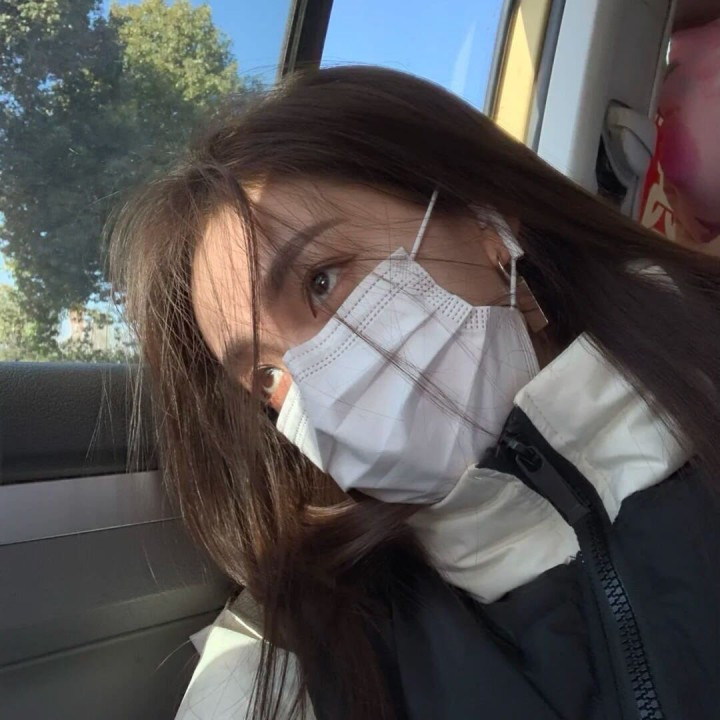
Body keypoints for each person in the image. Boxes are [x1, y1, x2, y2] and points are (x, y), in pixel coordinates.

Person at [109, 66, 720, 720]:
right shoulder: (310, 651)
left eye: (322, 281)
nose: (313, 386)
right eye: (265, 373)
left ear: (486, 219)